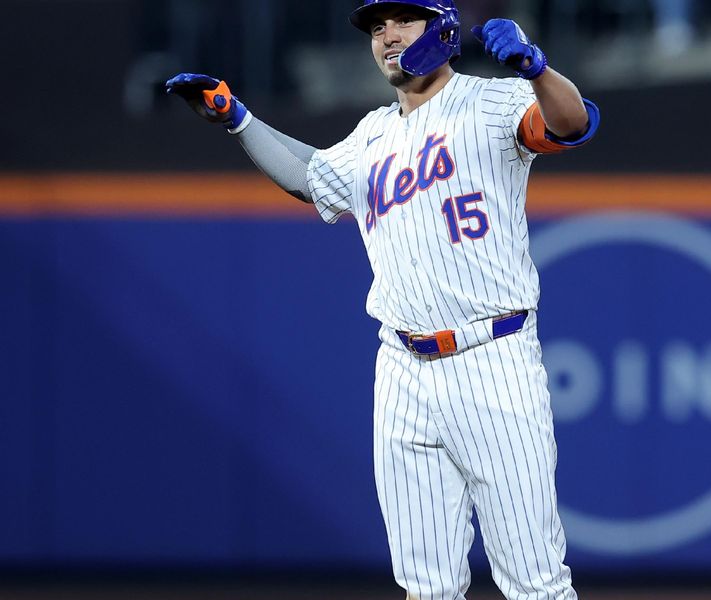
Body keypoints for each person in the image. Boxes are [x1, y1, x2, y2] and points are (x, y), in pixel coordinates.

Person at [166, 0, 599, 597]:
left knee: (534, 580)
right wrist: (237, 118)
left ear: (441, 29)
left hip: (492, 359)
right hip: (400, 367)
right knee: (426, 586)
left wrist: (537, 70)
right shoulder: (373, 134)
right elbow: (309, 177)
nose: (386, 35)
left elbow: (570, 125)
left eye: (402, 20)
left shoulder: (490, 101)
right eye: (376, 26)